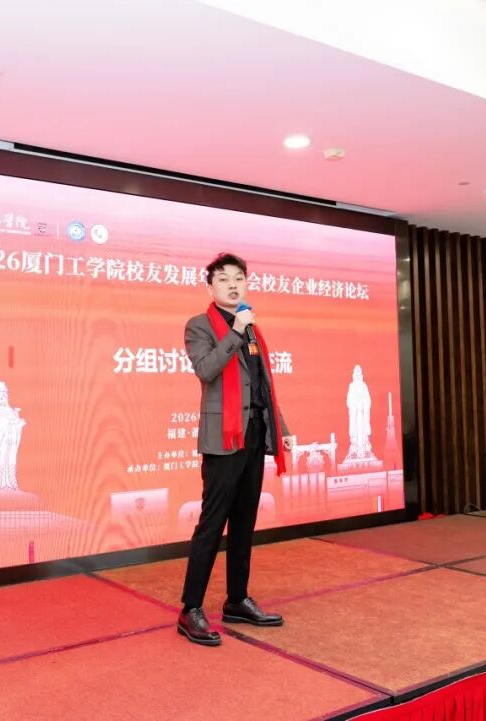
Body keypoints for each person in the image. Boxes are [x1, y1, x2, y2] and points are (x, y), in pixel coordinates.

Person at [177, 252, 293, 646]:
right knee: (212, 523)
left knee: (244, 521)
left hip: (255, 434)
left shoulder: (253, 329)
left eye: (238, 278)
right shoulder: (200, 325)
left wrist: (282, 428)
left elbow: (261, 385)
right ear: (210, 285)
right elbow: (206, 369)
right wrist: (236, 331)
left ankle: (237, 600)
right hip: (223, 440)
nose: (232, 285)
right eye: (224, 279)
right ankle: (191, 608)